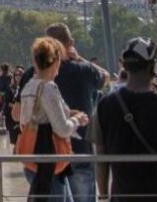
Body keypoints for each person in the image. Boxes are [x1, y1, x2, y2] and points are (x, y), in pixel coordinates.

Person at [91, 38, 157, 202]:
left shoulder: (104, 106)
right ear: (153, 67)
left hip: (122, 196)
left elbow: (101, 158)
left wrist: (103, 196)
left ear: (124, 66)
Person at [19, 37, 89, 202]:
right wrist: (77, 119)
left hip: (33, 158)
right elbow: (62, 129)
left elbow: (24, 121)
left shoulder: (29, 86)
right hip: (50, 160)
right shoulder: (49, 87)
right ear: (56, 60)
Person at [47, 22, 105, 202]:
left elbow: (16, 114)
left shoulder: (35, 74)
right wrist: (80, 58)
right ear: (69, 42)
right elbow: (105, 77)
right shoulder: (83, 69)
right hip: (79, 147)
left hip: (47, 150)